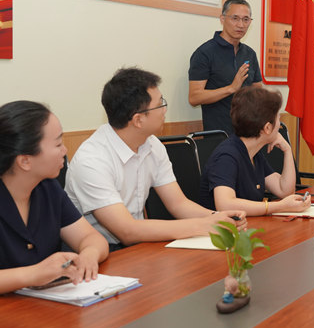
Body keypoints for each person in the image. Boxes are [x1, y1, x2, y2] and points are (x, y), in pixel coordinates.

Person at [66, 67, 247, 250]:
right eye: (160, 104)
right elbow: (127, 231)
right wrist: (202, 226)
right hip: (96, 253)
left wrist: (218, 217)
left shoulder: (152, 144)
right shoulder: (92, 160)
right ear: (138, 120)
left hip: (138, 245)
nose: (165, 110)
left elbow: (179, 204)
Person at [0, 101, 108, 294]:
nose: (65, 151)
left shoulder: (47, 187)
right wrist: (33, 274)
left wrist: (89, 255)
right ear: (25, 161)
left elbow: (91, 237)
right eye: (58, 144)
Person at [197, 86, 311, 216]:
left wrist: (287, 150)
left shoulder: (254, 153)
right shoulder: (227, 156)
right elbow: (225, 205)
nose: (280, 124)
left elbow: (284, 190)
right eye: (278, 118)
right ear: (267, 128)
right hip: (221, 228)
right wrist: (279, 206)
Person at [188, 0, 263, 135]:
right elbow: (194, 97)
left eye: (246, 19)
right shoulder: (205, 52)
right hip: (219, 135)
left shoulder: (249, 53)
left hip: (248, 132)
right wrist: (231, 88)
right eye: (235, 18)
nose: (241, 25)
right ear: (222, 19)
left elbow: (258, 91)